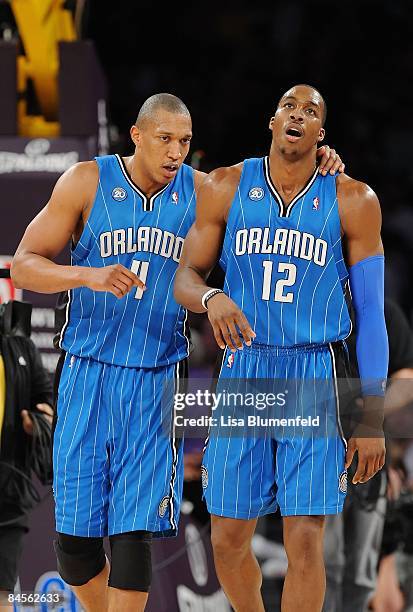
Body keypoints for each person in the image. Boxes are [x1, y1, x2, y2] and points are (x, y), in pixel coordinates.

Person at [11, 91, 343, 612]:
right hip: (86, 372)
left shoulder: (201, 191)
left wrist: (323, 160)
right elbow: (25, 264)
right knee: (75, 548)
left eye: (185, 143)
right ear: (137, 136)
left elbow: (272, 183)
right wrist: (87, 275)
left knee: (132, 536)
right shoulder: (86, 181)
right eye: (164, 139)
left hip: (156, 376)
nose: (175, 153)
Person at [174, 83, 388, 612]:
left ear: (321, 135)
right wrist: (212, 297)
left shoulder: (354, 200)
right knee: (226, 539)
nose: (298, 115)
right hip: (245, 367)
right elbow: (184, 278)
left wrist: (372, 418)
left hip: (312, 374)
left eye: (310, 111)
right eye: (289, 107)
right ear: (272, 121)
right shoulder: (225, 186)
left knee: (306, 540)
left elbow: (373, 318)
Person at [323, 298, 413, 612]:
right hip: (321, 446)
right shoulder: (314, 301)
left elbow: (407, 375)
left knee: (362, 570)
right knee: (325, 560)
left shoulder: (382, 310)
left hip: (371, 449)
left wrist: (373, 412)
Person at [0, 300, 53, 611]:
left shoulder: (22, 347)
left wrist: (39, 421)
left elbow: (44, 398)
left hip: (10, 492)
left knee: (4, 593)